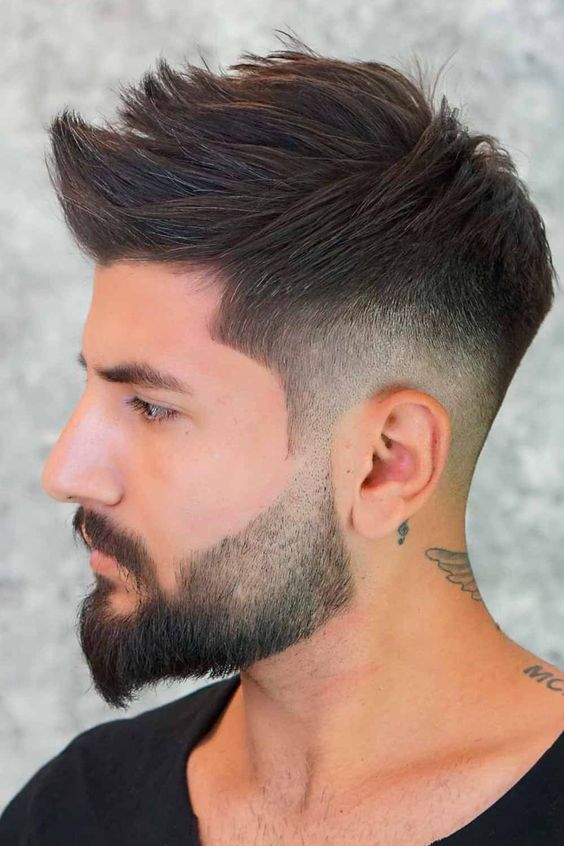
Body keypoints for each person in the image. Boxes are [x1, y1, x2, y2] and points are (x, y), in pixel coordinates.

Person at [1, 31, 562, 846]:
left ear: (385, 465)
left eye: (151, 406)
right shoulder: (72, 814)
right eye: (94, 388)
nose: (66, 472)